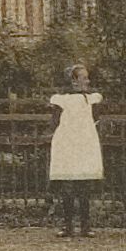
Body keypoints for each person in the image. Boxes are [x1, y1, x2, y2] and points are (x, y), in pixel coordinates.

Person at [48, 64, 103, 237]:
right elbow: (54, 122)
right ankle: (68, 225)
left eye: (87, 78)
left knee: (84, 185)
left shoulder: (92, 99)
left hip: (85, 143)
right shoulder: (61, 100)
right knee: (67, 186)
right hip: (67, 144)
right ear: (73, 81)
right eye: (83, 78)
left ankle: (86, 226)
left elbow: (96, 120)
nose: (87, 81)